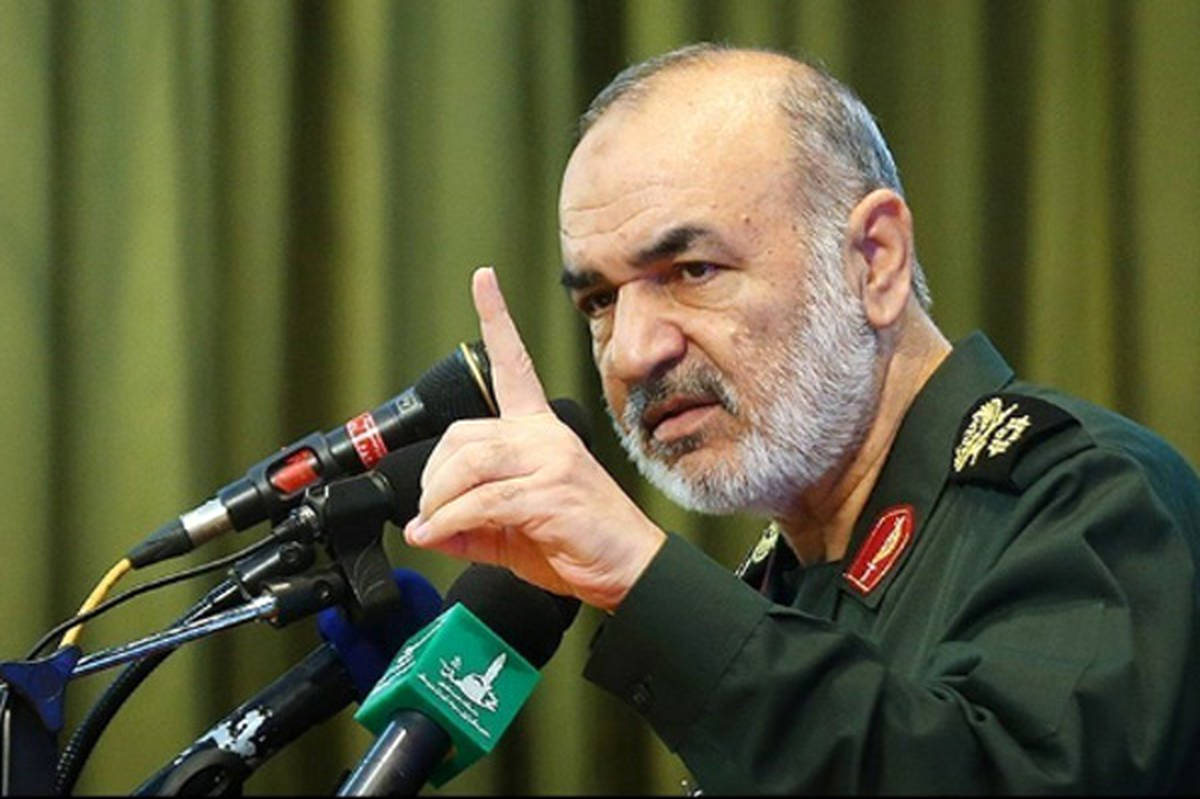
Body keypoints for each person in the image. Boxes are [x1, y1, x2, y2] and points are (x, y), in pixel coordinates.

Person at [403, 43, 1200, 793]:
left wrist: (645, 577)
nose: (633, 351)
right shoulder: (786, 574)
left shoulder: (1091, 495)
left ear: (875, 260)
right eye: (600, 300)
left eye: (692, 270)